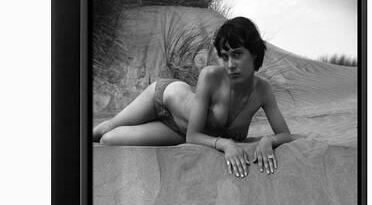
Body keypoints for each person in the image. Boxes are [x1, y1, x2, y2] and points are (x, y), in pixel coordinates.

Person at [93, 17, 292, 178]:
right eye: (224, 56)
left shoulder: (263, 90)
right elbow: (194, 136)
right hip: (163, 98)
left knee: (109, 140)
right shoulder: (211, 76)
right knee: (104, 129)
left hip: (179, 131)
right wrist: (225, 143)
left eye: (237, 54)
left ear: (254, 54)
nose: (230, 64)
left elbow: (285, 134)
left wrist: (268, 140)